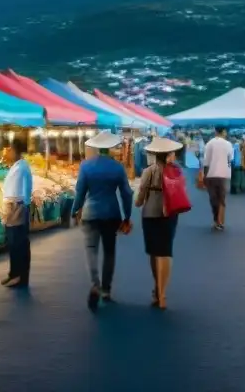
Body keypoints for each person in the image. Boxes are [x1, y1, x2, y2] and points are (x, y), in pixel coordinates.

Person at [72, 131, 134, 311]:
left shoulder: (86, 166)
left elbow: (80, 191)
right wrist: (127, 216)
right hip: (111, 214)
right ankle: (106, 290)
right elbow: (126, 193)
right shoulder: (117, 167)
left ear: (97, 147)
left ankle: (94, 284)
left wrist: (75, 209)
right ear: (111, 147)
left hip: (90, 214)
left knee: (91, 250)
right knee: (109, 252)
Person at [135, 136, 184, 310]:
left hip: (150, 214)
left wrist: (139, 201)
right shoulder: (177, 171)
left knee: (154, 252)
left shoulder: (149, 171)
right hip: (170, 213)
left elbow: (139, 199)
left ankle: (157, 288)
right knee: (166, 251)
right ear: (170, 154)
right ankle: (163, 294)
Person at [1, 139, 33, 288]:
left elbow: (21, 191)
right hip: (13, 207)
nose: (8, 152)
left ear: (16, 150)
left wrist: (17, 208)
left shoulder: (21, 168)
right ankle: (13, 273)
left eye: (10, 149)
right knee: (13, 243)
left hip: (17, 208)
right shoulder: (17, 166)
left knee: (18, 243)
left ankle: (20, 276)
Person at [202, 126, 232, 230]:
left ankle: (216, 220)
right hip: (224, 174)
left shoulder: (210, 143)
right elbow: (230, 159)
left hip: (211, 174)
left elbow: (206, 161)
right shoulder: (228, 144)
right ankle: (220, 221)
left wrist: (204, 175)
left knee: (213, 198)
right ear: (223, 132)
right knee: (222, 198)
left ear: (215, 132)